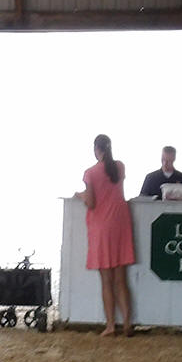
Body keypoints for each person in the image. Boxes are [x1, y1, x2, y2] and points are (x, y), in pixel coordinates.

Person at [79, 133, 135, 337]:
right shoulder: (120, 167)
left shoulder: (90, 173)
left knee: (106, 281)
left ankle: (111, 325)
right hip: (121, 225)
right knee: (121, 280)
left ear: (96, 149)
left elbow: (91, 202)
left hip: (102, 227)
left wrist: (80, 195)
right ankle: (127, 323)